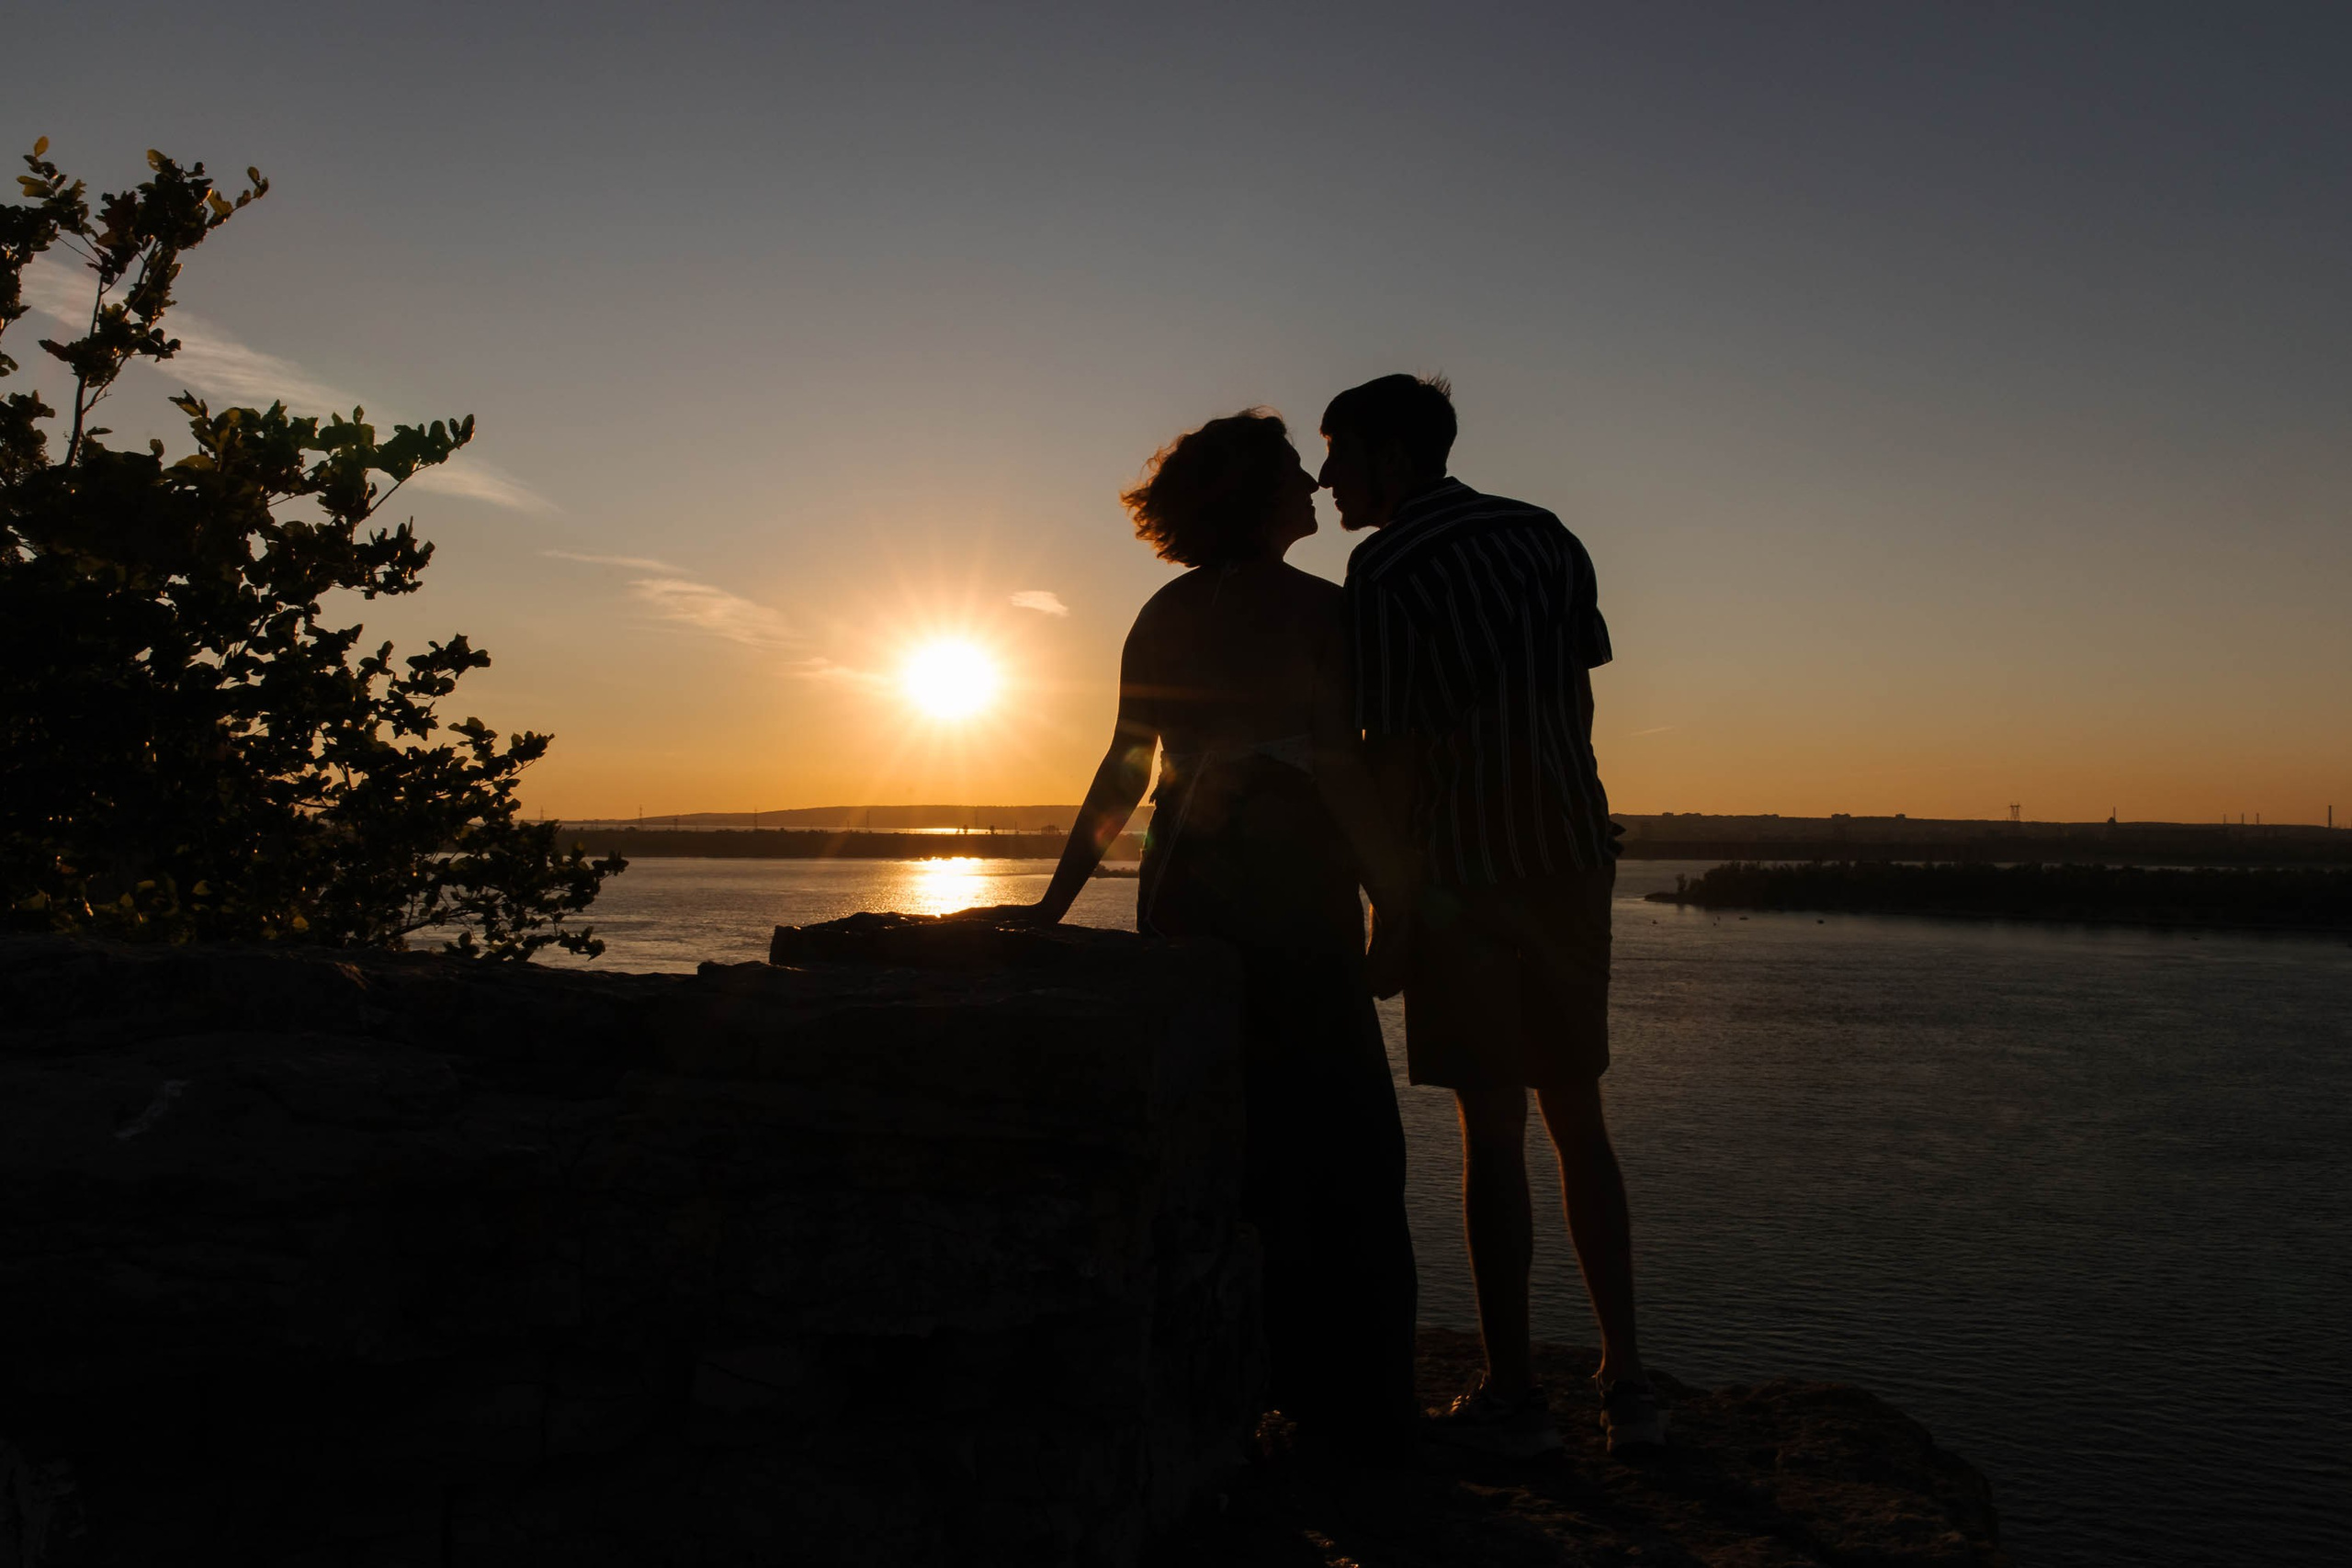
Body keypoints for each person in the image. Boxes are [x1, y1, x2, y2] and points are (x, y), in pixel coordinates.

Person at [972, 409, 1419, 1454]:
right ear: (1256, 500)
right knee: (1343, 1138)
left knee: (1231, 1132)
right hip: (1289, 891)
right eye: (1291, 476)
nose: (1315, 483)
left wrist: (1056, 900)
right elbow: (1340, 767)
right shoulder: (1318, 608)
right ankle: (1351, 1406)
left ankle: (1232, 1379)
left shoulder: (1162, 611)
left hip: (1183, 888)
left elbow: (1125, 768)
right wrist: (1398, 898)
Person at [1322, 373, 1666, 1457]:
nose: (1327, 476)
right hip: (1565, 858)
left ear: (1389, 454)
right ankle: (1626, 1375)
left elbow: (1394, 748)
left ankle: (1513, 1391)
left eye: (1339, 453)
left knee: (1491, 1132)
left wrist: (1390, 906)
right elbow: (1577, 691)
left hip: (1465, 877)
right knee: (1580, 1121)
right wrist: (1579, 806)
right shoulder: (1546, 535)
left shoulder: (1381, 567)